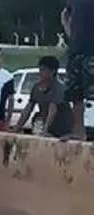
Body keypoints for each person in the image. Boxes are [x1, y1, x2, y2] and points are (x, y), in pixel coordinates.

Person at [14, 56, 74, 138]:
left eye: (43, 70)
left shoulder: (59, 88)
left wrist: (45, 130)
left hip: (63, 131)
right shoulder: (36, 87)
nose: (40, 73)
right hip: (49, 130)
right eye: (40, 69)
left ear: (52, 71)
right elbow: (28, 108)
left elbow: (53, 109)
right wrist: (18, 127)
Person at [62, 0, 93, 140]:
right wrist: (71, 35)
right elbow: (65, 14)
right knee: (75, 93)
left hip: (92, 51)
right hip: (76, 51)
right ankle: (78, 132)